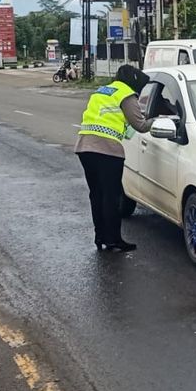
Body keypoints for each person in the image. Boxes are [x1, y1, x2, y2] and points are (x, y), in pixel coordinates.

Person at [75, 65, 154, 252]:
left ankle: (100, 236)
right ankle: (114, 239)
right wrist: (157, 120)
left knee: (97, 194)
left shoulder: (101, 91)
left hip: (85, 147)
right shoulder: (126, 94)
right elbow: (140, 125)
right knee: (111, 196)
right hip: (107, 150)